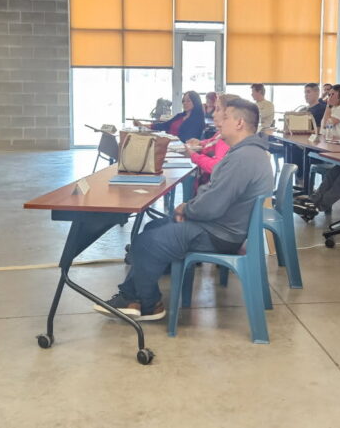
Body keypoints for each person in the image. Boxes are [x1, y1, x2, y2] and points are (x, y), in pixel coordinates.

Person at [95, 99, 274, 321]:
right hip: (221, 227)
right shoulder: (246, 153)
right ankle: (132, 296)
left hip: (219, 234)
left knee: (146, 243)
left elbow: (212, 205)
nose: (219, 123)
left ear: (239, 123)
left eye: (225, 117)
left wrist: (187, 208)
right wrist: (189, 209)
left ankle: (149, 304)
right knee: (154, 227)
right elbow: (214, 192)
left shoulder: (244, 157)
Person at [294, 84, 340, 219]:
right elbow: (324, 127)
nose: (329, 97)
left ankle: (317, 206)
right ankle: (312, 202)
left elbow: (328, 123)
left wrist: (328, 106)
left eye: (332, 94)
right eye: (328, 95)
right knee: (332, 174)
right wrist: (329, 107)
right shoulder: (335, 108)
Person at [184, 94, 238, 181]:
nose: (213, 114)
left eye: (218, 109)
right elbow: (211, 142)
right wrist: (199, 143)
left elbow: (215, 167)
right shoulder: (220, 133)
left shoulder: (228, 137)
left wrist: (193, 155)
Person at [135, 90, 205, 142]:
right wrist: (143, 125)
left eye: (188, 101)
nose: (184, 103)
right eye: (183, 101)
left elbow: (187, 139)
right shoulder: (180, 116)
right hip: (170, 143)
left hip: (180, 148)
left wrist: (168, 139)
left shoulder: (197, 120)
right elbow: (165, 125)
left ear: (195, 102)